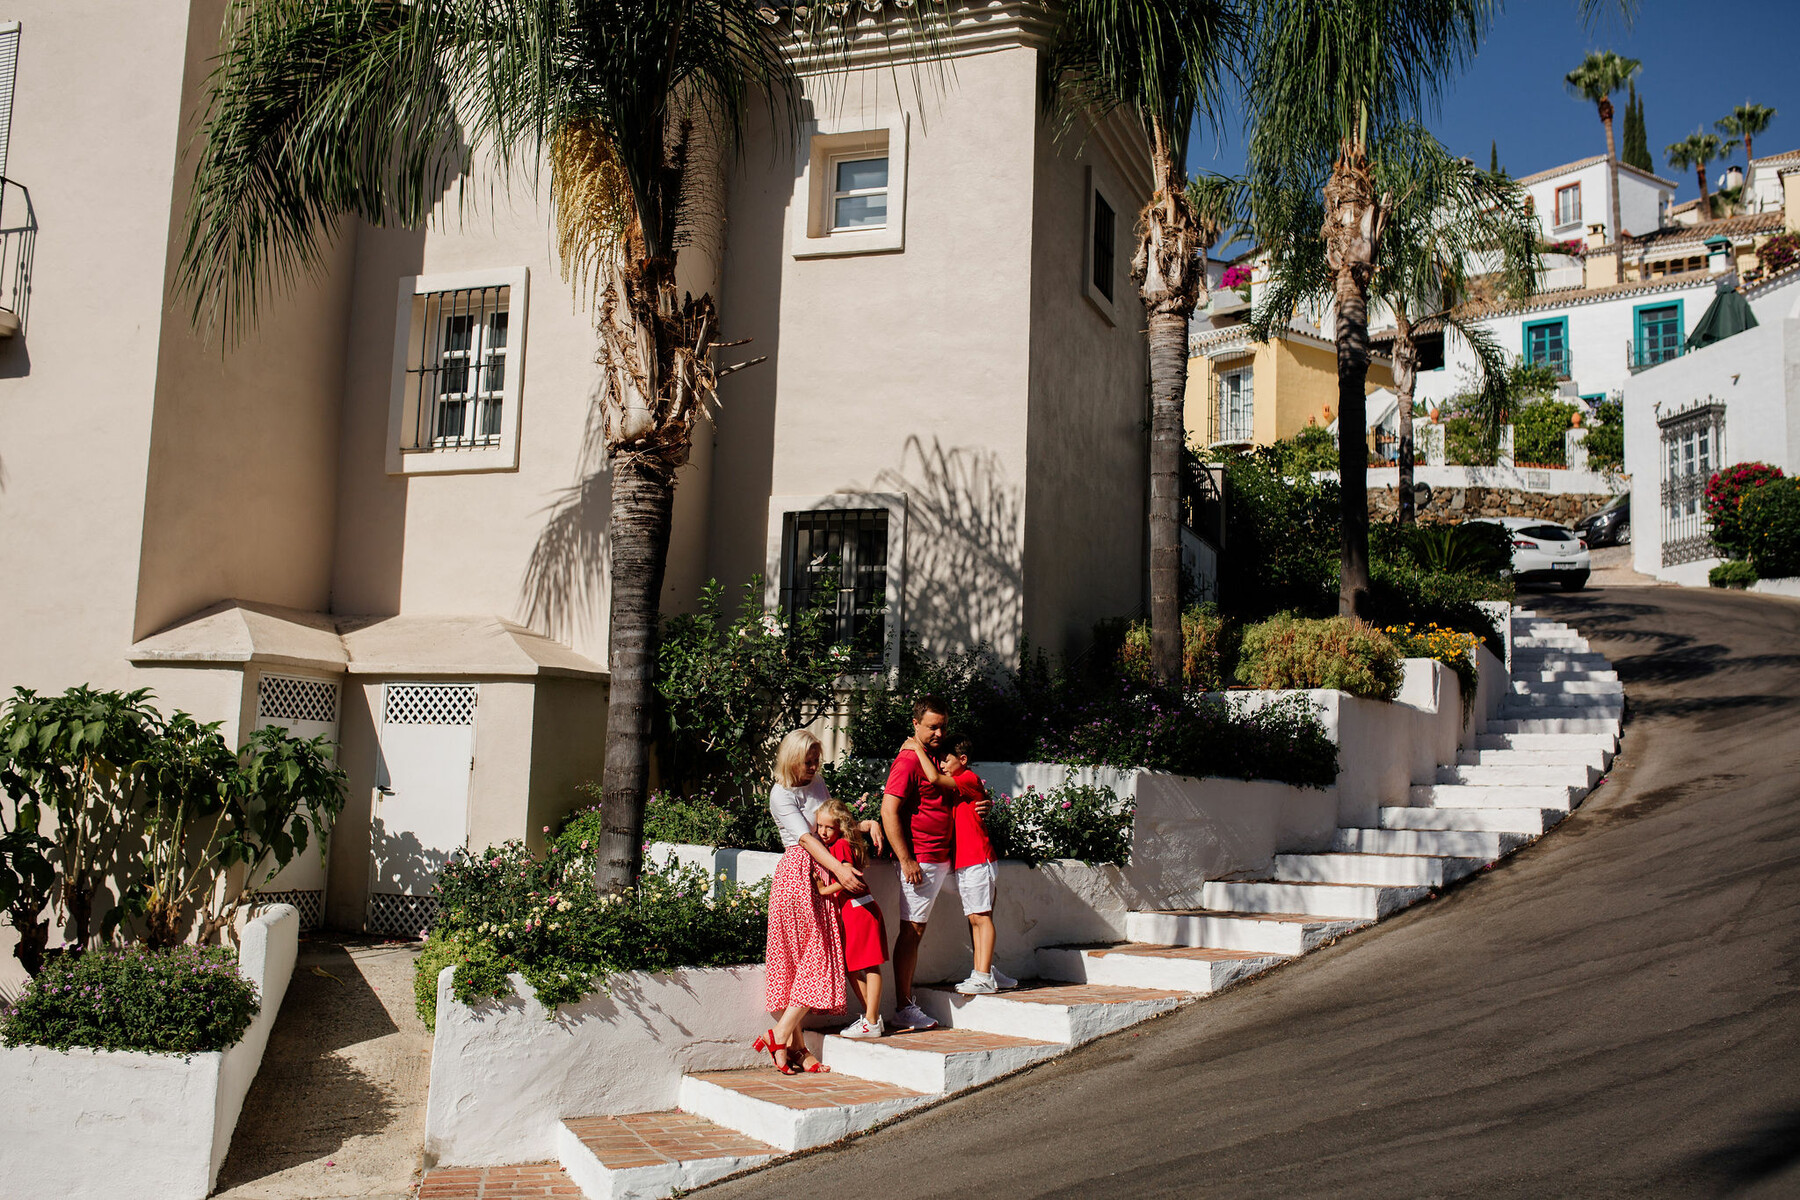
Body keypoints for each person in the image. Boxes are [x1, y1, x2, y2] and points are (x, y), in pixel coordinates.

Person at [761, 729, 881, 1073]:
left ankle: (792, 1046)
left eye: (817, 761)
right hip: (800, 872)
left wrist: (862, 825)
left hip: (821, 871)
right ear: (791, 760)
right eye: (807, 762)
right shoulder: (780, 794)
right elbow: (809, 840)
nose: (814, 767)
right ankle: (783, 1034)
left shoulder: (817, 784)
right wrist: (841, 871)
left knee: (809, 955)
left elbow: (830, 827)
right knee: (813, 954)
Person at [880, 696, 958, 1030]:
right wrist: (906, 858)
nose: (939, 732)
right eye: (932, 727)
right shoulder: (909, 761)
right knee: (911, 930)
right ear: (915, 725)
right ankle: (902, 1006)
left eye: (943, 726)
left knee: (919, 928)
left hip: (944, 856)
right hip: (921, 859)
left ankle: (905, 1003)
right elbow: (888, 810)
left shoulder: (935, 757)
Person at [941, 738, 1018, 994]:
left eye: (946, 759)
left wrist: (915, 749)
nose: (941, 764)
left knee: (980, 918)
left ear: (962, 760)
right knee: (976, 917)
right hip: (968, 860)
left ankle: (984, 975)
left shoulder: (967, 778)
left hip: (977, 858)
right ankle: (986, 970)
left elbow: (936, 780)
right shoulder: (960, 785)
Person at [812, 798, 888, 1039]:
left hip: (859, 910)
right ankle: (872, 1018)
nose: (823, 832)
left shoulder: (841, 846)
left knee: (867, 966)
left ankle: (872, 1020)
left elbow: (848, 875)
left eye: (829, 827)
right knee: (853, 968)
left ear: (839, 828)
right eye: (819, 826)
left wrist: (824, 890)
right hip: (856, 911)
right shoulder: (837, 845)